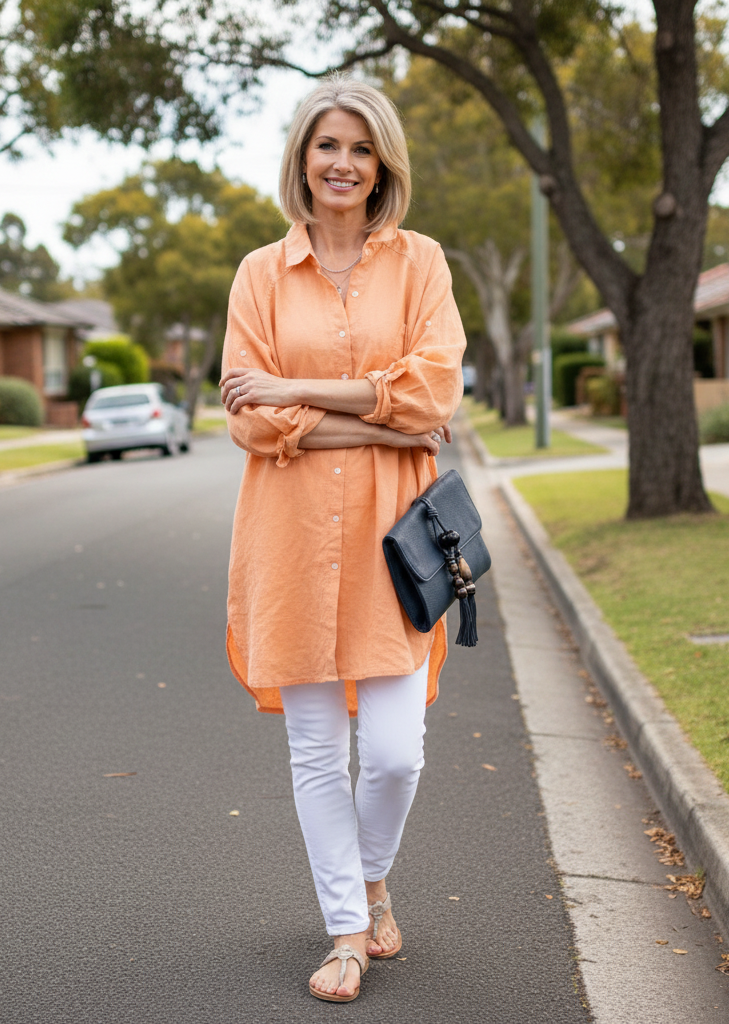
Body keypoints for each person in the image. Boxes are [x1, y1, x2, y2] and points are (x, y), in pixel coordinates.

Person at [219, 75, 466, 1003]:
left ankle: (370, 875)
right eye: (329, 145)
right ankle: (348, 931)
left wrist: (300, 393)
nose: (344, 163)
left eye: (362, 148)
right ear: (302, 156)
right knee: (319, 753)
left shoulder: (421, 263)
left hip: (392, 541)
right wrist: (380, 419)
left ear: (382, 165)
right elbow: (247, 421)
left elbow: (433, 394)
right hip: (285, 537)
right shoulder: (257, 275)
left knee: (398, 750)